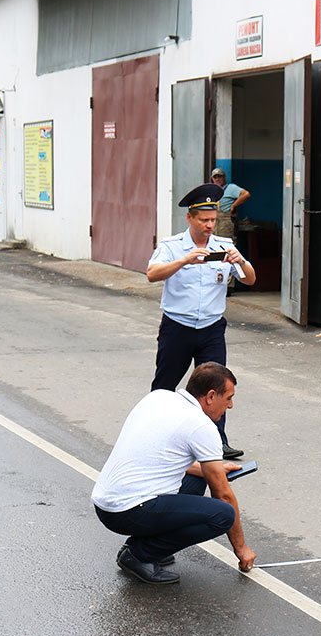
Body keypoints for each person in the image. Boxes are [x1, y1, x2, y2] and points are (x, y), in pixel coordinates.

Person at [92, 363, 257, 584]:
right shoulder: (202, 426)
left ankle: (143, 546)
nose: (231, 405)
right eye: (228, 398)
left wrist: (211, 470)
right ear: (210, 396)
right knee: (223, 515)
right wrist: (241, 548)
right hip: (127, 511)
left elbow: (160, 454)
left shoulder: (159, 397)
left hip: (107, 503)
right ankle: (140, 554)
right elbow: (223, 494)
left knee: (197, 480)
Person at [147, 182, 256, 459]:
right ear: (190, 218)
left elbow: (251, 278)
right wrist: (184, 261)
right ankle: (154, 434)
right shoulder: (172, 246)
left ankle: (217, 441)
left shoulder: (224, 245)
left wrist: (240, 262)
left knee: (217, 386)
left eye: (213, 220)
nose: (209, 225)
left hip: (210, 328)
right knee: (165, 384)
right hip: (178, 327)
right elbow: (152, 274)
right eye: (204, 220)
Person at [210, 167, 250, 239]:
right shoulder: (213, 191)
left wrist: (233, 206)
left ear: (224, 177)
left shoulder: (231, 188)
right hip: (215, 226)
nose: (217, 179)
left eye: (219, 176)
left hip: (226, 225)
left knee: (226, 247)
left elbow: (246, 194)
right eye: (215, 177)